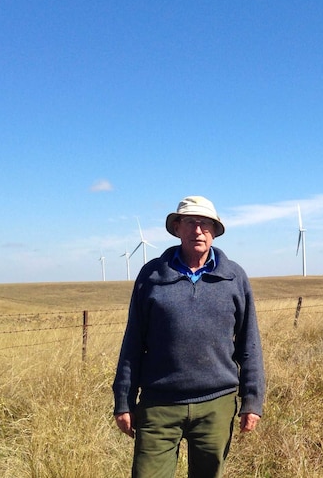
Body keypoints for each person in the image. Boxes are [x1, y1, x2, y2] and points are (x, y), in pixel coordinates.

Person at [112, 195, 265, 478]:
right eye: (191, 222)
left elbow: (249, 343)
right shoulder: (152, 275)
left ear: (215, 231)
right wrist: (124, 399)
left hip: (216, 404)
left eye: (206, 224)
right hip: (159, 404)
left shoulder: (234, 277)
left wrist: (252, 401)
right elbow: (133, 341)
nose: (198, 230)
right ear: (177, 228)